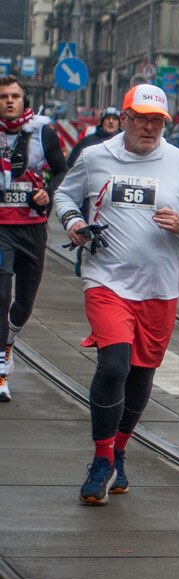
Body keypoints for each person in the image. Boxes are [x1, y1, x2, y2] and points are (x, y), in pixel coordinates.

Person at [55, 83, 179, 505]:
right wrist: (73, 224)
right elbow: (64, 197)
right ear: (123, 118)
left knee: (141, 374)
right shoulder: (95, 157)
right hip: (106, 280)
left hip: (160, 287)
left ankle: (120, 450)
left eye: (157, 120)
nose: (149, 126)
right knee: (114, 366)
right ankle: (101, 459)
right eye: (141, 118)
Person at [0, 75, 69, 402]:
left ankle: (9, 343)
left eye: (14, 96)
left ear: (24, 100)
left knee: (24, 302)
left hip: (32, 227)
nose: (9, 101)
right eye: (3, 97)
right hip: (0, 228)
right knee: (1, 296)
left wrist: (48, 192)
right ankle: (0, 373)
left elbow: (61, 171)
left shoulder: (44, 132)